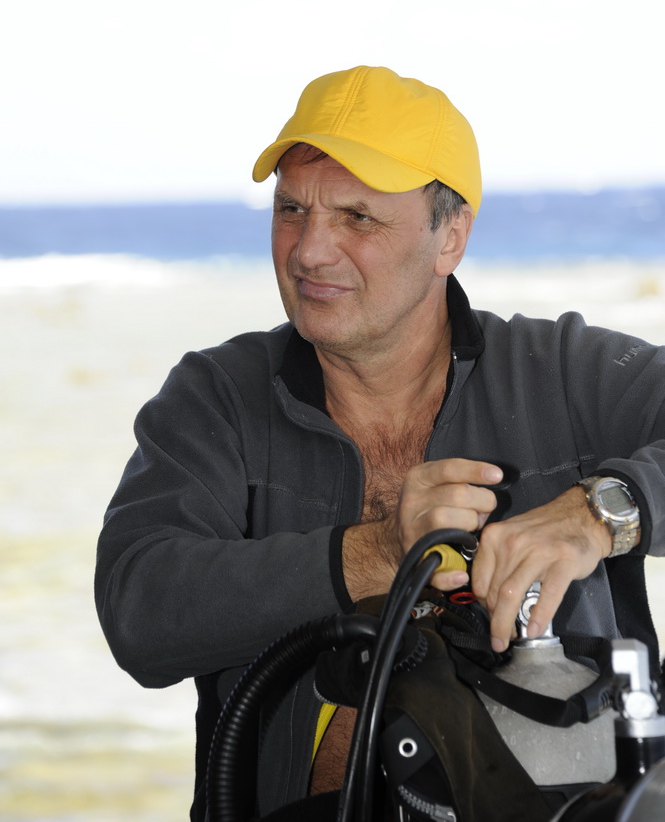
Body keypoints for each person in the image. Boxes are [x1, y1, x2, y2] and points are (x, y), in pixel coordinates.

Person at [95, 65, 665, 820]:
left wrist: (602, 512)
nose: (309, 251)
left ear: (449, 238)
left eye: (357, 217)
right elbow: (139, 612)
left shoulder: (561, 371)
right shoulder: (217, 396)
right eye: (291, 209)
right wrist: (379, 551)